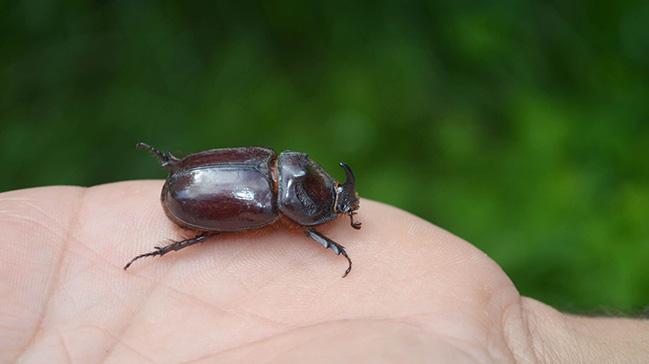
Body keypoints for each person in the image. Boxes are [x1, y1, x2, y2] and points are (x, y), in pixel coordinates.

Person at [1, 181, 647, 363]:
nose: (338, 210)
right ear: (308, 207)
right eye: (333, 206)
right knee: (208, 241)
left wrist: (523, 350)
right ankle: (163, 251)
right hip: (192, 200)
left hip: (194, 181)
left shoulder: (282, 181)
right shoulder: (274, 210)